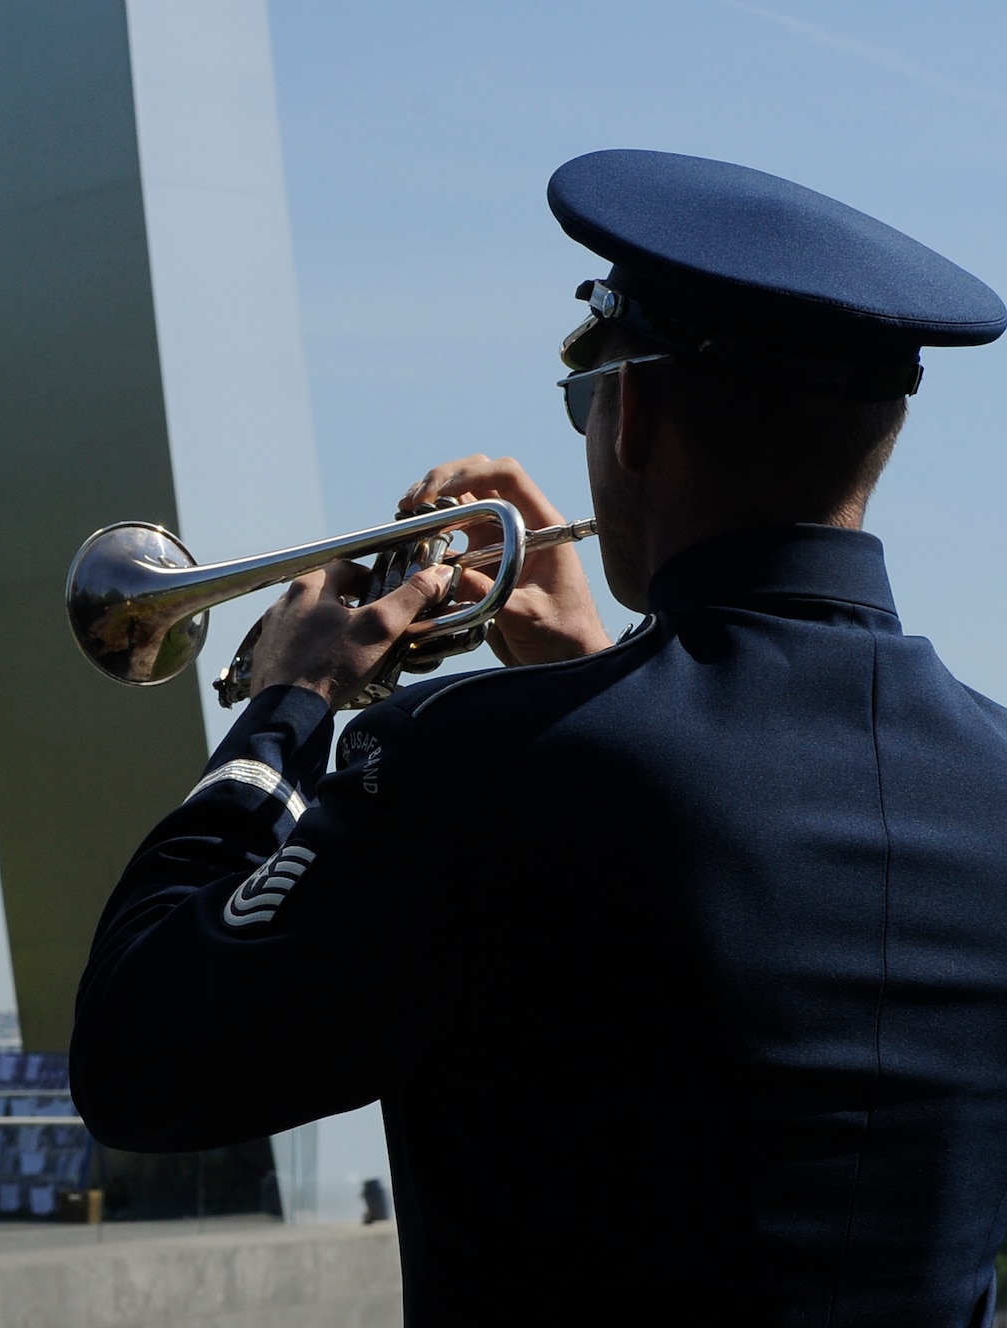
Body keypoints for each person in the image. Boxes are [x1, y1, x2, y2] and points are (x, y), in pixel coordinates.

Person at [70, 148, 1007, 1325]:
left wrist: (284, 705)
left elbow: (138, 1054)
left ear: (636, 416)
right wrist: (590, 675)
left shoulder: (471, 759)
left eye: (587, 394)